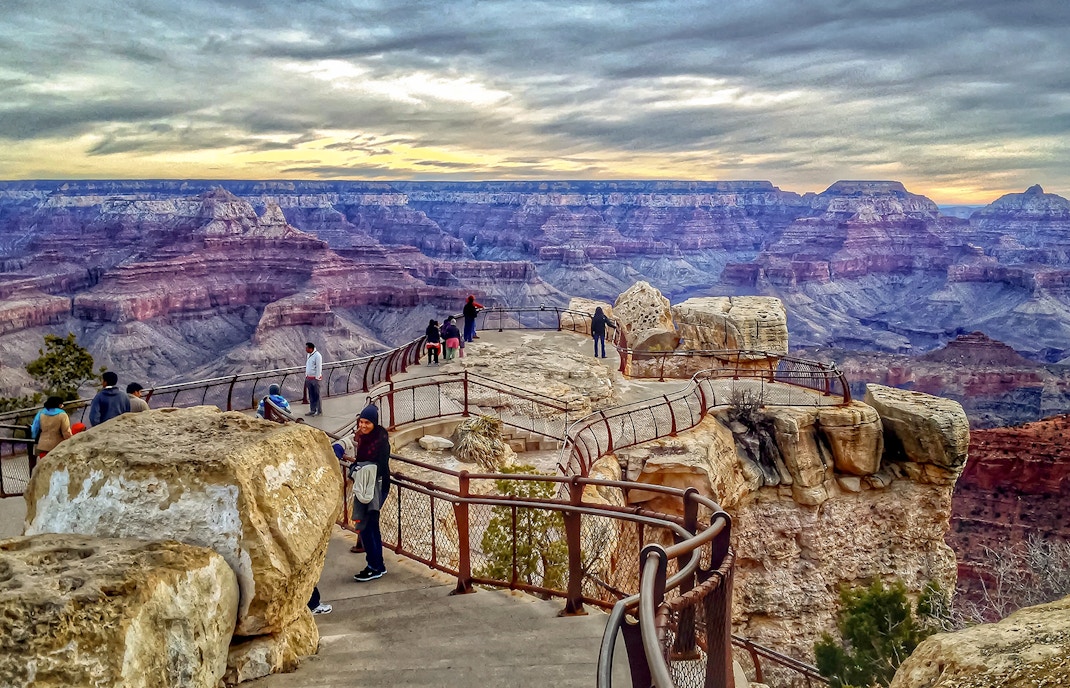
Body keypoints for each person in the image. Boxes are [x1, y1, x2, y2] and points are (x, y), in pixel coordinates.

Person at [351, 404, 390, 582]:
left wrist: (362, 469)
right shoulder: (363, 438)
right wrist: (356, 467)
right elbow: (359, 459)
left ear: (374, 422)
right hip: (366, 486)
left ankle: (374, 566)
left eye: (367, 422)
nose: (363, 426)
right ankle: (378, 565)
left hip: (377, 487)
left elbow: (381, 466)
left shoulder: (381, 440)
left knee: (367, 525)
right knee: (371, 526)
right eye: (361, 422)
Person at [304, 342, 323, 417]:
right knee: (311, 395)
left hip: (315, 379)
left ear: (311, 348)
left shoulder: (317, 356)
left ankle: (319, 411)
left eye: (307, 348)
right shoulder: (308, 355)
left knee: (317, 395)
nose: (306, 349)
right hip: (308, 378)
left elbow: (318, 367)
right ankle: (312, 410)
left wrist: (317, 377)